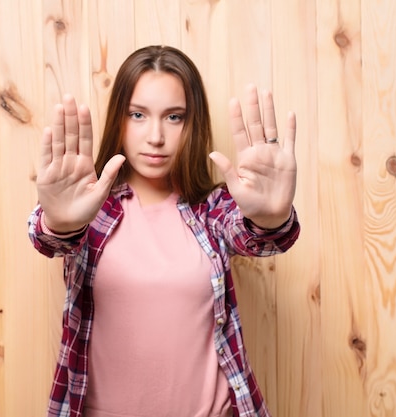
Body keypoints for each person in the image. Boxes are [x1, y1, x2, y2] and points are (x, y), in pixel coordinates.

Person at [28, 45, 300, 417]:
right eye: (138, 115)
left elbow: (258, 235)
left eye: (174, 117)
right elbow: (47, 236)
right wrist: (58, 221)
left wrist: (272, 217)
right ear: (119, 120)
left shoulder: (211, 209)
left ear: (193, 124)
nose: (155, 136)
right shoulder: (90, 208)